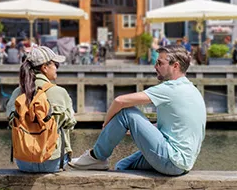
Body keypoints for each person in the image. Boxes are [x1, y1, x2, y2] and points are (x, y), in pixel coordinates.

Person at [70, 45, 204, 176]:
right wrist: (139, 128)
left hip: (171, 160)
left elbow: (120, 101)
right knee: (122, 166)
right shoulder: (191, 89)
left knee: (126, 113)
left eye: (159, 63)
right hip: (183, 163)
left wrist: (106, 125)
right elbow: (177, 126)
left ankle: (96, 157)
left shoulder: (171, 88)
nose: (155, 66)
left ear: (175, 66)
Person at [6, 46, 76, 173]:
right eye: (56, 64)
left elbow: (11, 121)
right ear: (45, 67)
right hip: (52, 162)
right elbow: (71, 123)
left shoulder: (18, 92)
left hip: (23, 162)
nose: (57, 68)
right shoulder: (59, 92)